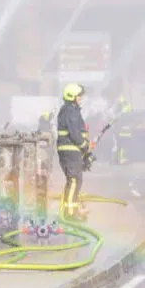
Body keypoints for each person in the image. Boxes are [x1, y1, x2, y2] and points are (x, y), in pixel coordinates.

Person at [56, 83, 92, 222]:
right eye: (79, 96)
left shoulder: (71, 110)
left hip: (72, 151)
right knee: (74, 180)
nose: (81, 98)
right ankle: (70, 214)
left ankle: (72, 211)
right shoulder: (70, 111)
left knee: (75, 181)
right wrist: (84, 146)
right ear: (72, 96)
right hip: (70, 150)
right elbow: (75, 133)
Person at [113, 95, 132, 165]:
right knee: (122, 147)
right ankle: (120, 159)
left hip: (121, 133)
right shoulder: (122, 113)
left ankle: (117, 160)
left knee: (119, 147)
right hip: (123, 134)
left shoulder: (119, 113)